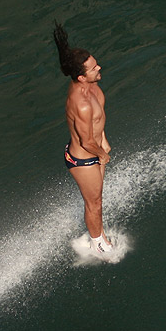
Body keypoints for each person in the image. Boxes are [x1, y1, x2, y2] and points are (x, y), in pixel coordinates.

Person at [53, 22, 114, 261]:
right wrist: (102, 153)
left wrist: (104, 139)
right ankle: (97, 244)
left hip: (95, 149)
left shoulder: (91, 85)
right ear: (81, 76)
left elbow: (98, 122)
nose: (99, 67)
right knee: (94, 202)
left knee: (97, 199)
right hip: (83, 158)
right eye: (93, 68)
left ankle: (99, 235)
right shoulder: (81, 103)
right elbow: (87, 140)